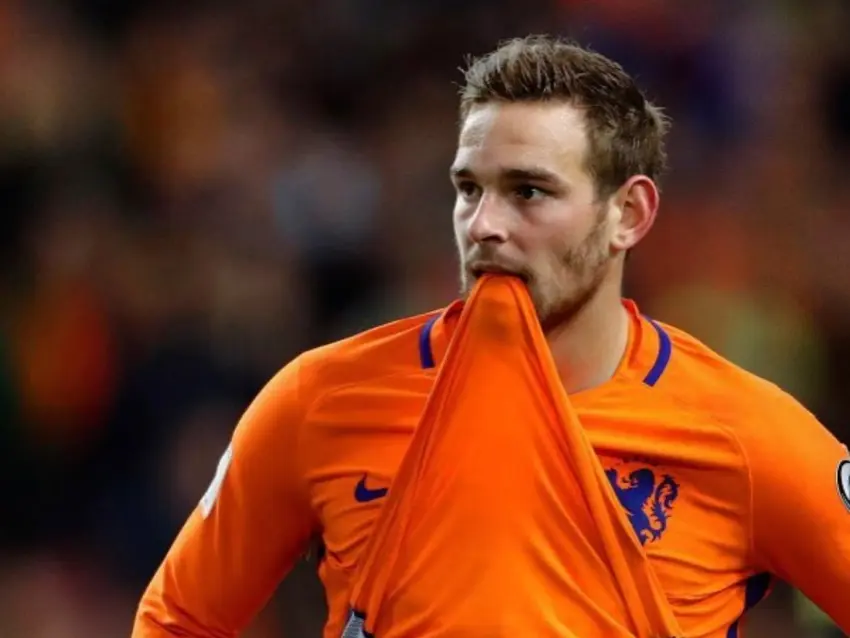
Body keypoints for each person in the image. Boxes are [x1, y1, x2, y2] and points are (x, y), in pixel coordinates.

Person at [132, 35, 850, 637]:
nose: (483, 226)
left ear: (628, 214)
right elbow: (178, 618)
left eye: (528, 191)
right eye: (469, 188)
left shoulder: (741, 435)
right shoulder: (321, 399)